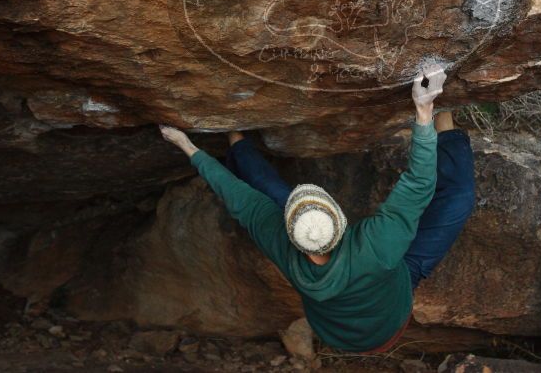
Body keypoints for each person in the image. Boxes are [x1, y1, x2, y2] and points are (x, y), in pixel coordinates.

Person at [159, 63, 476, 353]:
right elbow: (418, 186)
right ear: (338, 217)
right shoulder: (377, 246)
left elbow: (239, 198)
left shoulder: (284, 246)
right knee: (459, 196)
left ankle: (234, 134)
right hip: (393, 311)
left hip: (337, 329)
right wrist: (423, 110)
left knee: (269, 193)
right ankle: (442, 111)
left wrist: (189, 147)